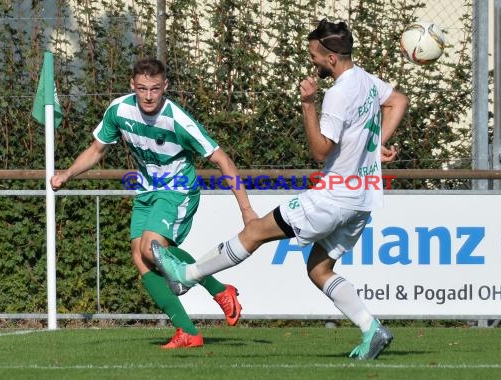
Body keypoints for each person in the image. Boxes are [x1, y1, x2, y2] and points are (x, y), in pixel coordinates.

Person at [151, 19, 408, 360]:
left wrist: (308, 104)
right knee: (319, 270)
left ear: (331, 58)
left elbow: (320, 152)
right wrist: (376, 148)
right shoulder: (365, 79)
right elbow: (399, 101)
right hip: (362, 199)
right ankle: (371, 329)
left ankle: (187, 275)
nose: (312, 62)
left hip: (332, 197)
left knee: (255, 231)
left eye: (315, 56)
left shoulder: (338, 94)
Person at [50, 57, 258, 349]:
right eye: (142, 88)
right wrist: (68, 174)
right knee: (140, 254)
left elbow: (222, 159)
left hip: (177, 190)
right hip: (146, 191)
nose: (148, 96)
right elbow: (97, 149)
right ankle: (188, 330)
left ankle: (220, 291)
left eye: (155, 89)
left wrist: (246, 209)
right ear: (132, 85)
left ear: (166, 87)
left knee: (151, 247)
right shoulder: (119, 110)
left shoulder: (177, 120)